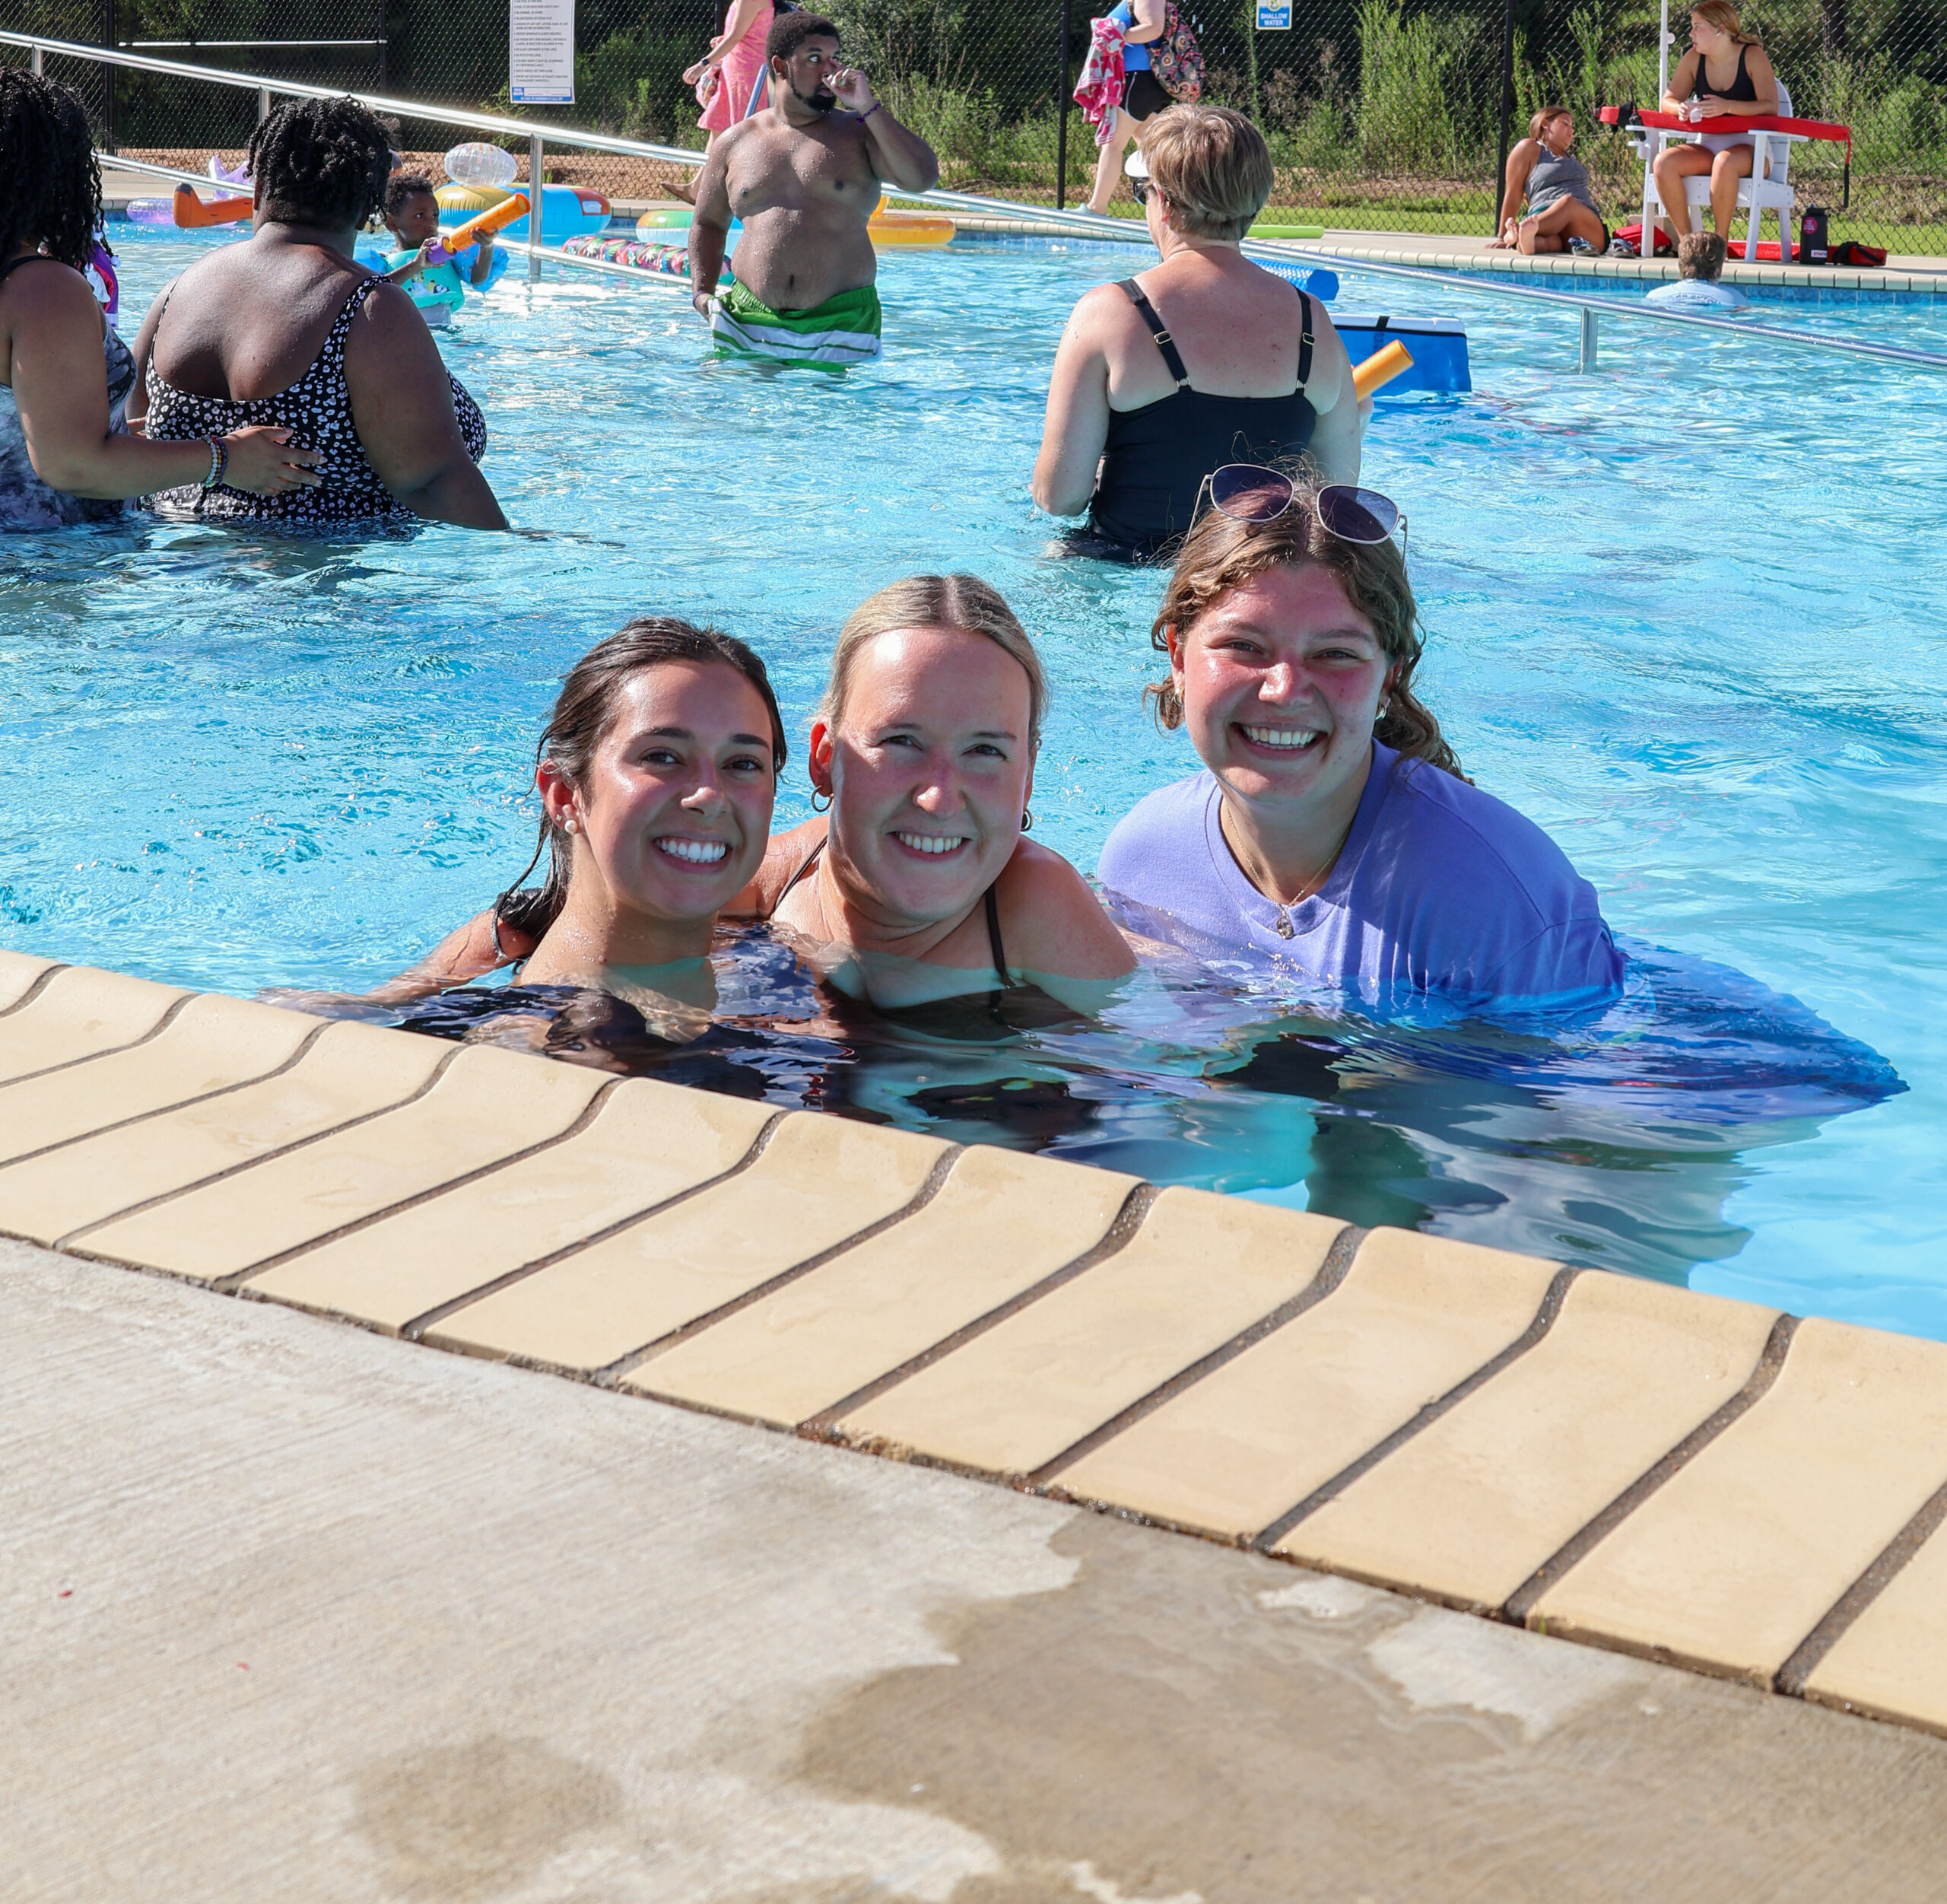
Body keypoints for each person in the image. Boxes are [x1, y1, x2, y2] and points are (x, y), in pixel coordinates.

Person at [1096, 468, 1627, 1009]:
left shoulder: (1497, 906)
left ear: (1388, 679)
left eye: (1335, 653)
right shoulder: (1142, 863)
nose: (1285, 690)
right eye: (1244, 645)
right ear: (1179, 658)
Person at [745, 574, 1138, 1025]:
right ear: (825, 760)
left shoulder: (1036, 910)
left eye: (985, 750)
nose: (940, 800)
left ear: (1027, 777)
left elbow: (1167, 1072)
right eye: (901, 741)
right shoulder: (766, 887)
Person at [125, 96, 506, 532]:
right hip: (318, 586)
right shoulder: (367, 307)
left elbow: (131, 441)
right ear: (369, 210)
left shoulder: (176, 293)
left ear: (258, 190)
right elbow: (436, 483)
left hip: (175, 566)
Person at [1034, 105, 1361, 561]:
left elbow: (1058, 498)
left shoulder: (1111, 313)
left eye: (1140, 193)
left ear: (1164, 202)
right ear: (1255, 200)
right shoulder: (1314, 322)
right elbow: (1335, 499)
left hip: (1122, 565)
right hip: (1252, 575)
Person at [0, 69, 319, 530]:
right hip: (48, 567)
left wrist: (118, 434)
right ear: (51, 169)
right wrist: (226, 459)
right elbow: (72, 466)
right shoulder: (42, 289)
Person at [687, 12, 940, 368]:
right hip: (747, 319)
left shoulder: (859, 132)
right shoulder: (735, 141)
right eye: (814, 58)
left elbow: (923, 179)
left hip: (841, 324)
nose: (829, 69)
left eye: (834, 57)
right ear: (781, 65)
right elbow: (708, 223)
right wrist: (702, 293)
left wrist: (868, 107)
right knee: (739, 423)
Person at [1652, 0, 1781, 243]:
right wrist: (1679, 108)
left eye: (1697, 26)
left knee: (1724, 163)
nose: (1691, 33)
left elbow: (1770, 107)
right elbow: (1667, 100)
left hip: (1753, 149)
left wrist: (1728, 106)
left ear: (1720, 29)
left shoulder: (1752, 56)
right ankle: (1688, 244)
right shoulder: (1694, 58)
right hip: (1708, 146)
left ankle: (1719, 245)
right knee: (1663, 163)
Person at [373, 171, 499, 328]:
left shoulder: (449, 256)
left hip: (447, 335)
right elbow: (376, 293)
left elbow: (478, 279)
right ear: (392, 223)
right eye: (420, 216)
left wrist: (486, 246)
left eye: (435, 215)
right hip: (405, 337)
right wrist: (416, 265)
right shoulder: (383, 261)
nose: (431, 223)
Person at [1084, 0, 1169, 216]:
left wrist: (1116, 34)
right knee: (1154, 151)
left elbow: (1154, 28)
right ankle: (1178, 208)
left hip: (1137, 81)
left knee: (1113, 145)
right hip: (1138, 81)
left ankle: (1096, 209)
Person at [1490, 106, 1608, 256]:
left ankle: (1518, 231)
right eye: (1565, 124)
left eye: (1572, 128)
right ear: (1545, 123)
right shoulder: (1529, 148)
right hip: (1547, 224)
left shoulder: (1569, 158)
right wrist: (1500, 236)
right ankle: (1524, 241)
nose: (1571, 131)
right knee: (1548, 242)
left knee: (1568, 203)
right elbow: (1513, 193)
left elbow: (1569, 203)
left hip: (1583, 226)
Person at [685, 0, 777, 150]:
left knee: (744, 133)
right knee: (718, 131)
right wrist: (724, 40)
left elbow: (735, 37)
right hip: (735, 74)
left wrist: (703, 64)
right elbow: (748, 33)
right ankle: (707, 174)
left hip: (747, 76)